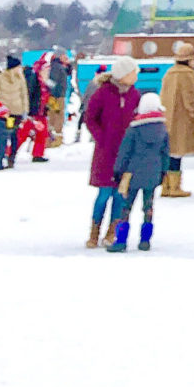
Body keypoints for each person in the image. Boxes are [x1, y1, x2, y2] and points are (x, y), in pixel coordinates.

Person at [83, 57, 141, 248]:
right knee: (104, 193)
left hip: (126, 153)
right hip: (106, 153)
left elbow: (138, 119)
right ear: (123, 75)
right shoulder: (102, 93)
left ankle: (112, 232)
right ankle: (94, 232)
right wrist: (101, 138)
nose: (136, 76)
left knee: (120, 194)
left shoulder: (135, 95)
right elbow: (90, 118)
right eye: (133, 73)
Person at [107, 92, 171, 253]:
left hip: (132, 173)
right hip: (153, 173)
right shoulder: (163, 130)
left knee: (126, 207)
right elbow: (165, 154)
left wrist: (118, 171)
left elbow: (125, 152)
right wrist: (163, 172)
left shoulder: (134, 129)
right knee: (148, 207)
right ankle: (145, 240)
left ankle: (121, 241)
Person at [159, 42, 194, 197]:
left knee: (169, 152)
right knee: (177, 153)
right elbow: (192, 100)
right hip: (183, 119)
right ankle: (175, 187)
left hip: (168, 117)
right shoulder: (188, 75)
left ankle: (165, 185)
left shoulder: (169, 73)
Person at [0, 56, 29, 169]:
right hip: (9, 113)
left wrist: (25, 111)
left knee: (6, 138)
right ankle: (6, 160)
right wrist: (24, 110)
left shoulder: (2, 78)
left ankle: (2, 160)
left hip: (5, 113)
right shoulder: (15, 79)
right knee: (9, 137)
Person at [45, 49, 71, 145]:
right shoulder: (56, 67)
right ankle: (54, 139)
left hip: (58, 95)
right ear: (60, 56)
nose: (67, 58)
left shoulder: (60, 66)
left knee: (57, 116)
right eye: (65, 55)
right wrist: (53, 97)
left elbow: (67, 73)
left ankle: (55, 138)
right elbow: (53, 82)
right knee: (56, 116)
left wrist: (69, 66)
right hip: (57, 96)